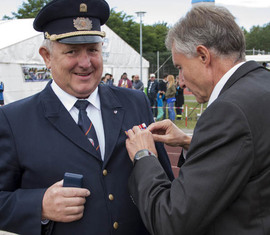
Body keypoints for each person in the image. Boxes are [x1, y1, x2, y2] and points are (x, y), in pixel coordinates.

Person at [0, 0, 174, 235]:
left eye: (93, 49)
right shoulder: (14, 120)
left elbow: (165, 181)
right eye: (71, 51)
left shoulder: (135, 102)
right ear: (46, 56)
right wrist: (39, 205)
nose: (85, 63)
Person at [125, 4, 270, 235]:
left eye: (181, 67)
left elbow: (171, 220)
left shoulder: (227, 111)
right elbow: (252, 153)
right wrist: (188, 141)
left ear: (203, 55)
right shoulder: (262, 84)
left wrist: (144, 156)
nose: (181, 81)